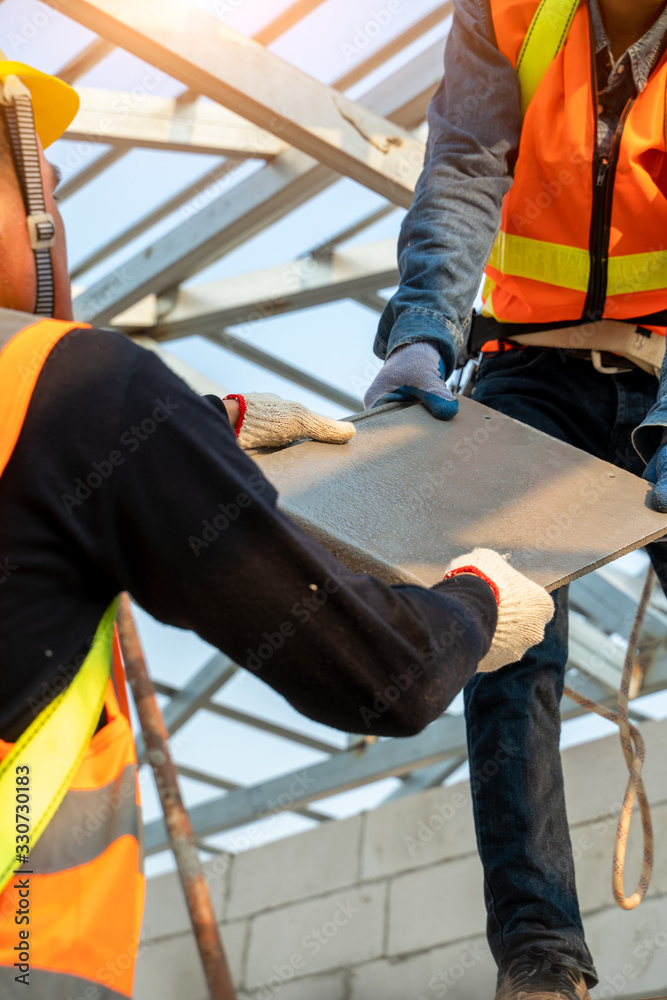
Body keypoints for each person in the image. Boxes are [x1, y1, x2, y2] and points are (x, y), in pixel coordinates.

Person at [0, 60, 554, 999]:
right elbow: (383, 676)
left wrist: (199, 422)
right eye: (40, 178)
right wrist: (475, 604)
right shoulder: (68, 382)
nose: (57, 198)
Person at [365, 0, 667, 995]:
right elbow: (462, 165)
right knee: (505, 638)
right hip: (526, 367)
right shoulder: (509, 7)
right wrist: (422, 326)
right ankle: (539, 957)